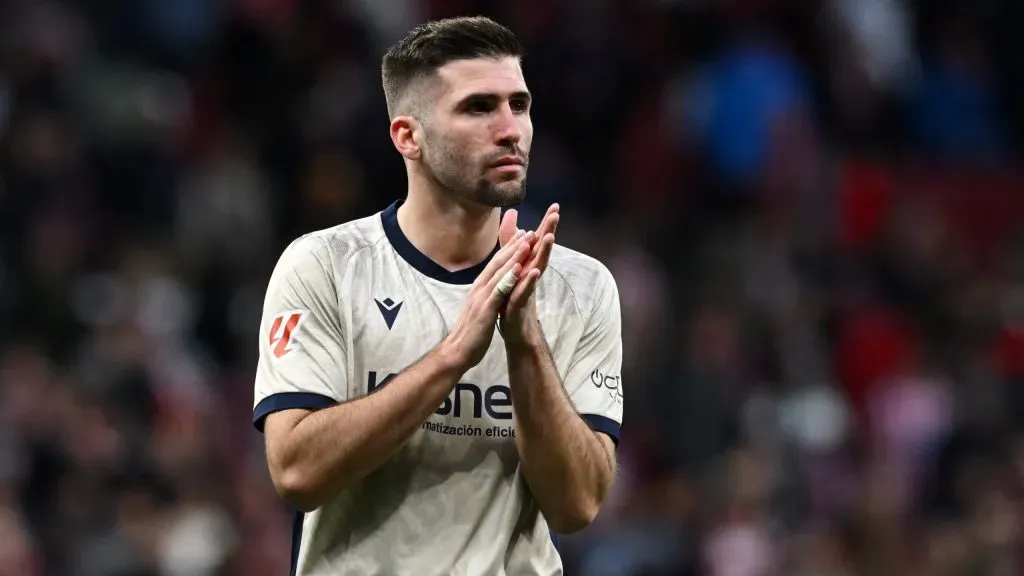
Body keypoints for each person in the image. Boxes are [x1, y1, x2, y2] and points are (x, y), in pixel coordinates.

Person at [252, 16, 623, 575]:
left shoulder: (580, 286)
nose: (511, 130)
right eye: (479, 108)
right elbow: (297, 473)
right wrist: (452, 356)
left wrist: (524, 342)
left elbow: (578, 506)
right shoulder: (326, 266)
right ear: (409, 136)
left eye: (519, 105)